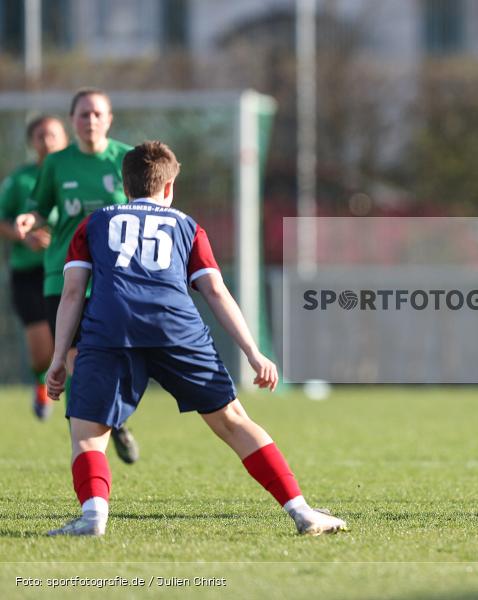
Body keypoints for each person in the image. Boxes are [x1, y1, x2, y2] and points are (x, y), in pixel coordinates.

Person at [45, 141, 347, 537]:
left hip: (111, 328)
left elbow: (72, 293)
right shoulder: (187, 226)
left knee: (88, 435)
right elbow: (215, 291)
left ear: (124, 185)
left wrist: (57, 359)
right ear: (169, 187)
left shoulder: (94, 223)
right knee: (233, 421)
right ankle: (302, 511)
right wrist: (253, 352)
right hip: (176, 327)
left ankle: (93, 517)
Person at [16, 88, 140, 463]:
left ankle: (115, 419)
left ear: (109, 119)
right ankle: (84, 434)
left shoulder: (127, 159)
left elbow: (146, 210)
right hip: (64, 275)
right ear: (72, 120)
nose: (91, 120)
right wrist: (29, 220)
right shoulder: (56, 163)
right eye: (84, 114)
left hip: (114, 277)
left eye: (98, 113)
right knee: (74, 359)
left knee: (116, 357)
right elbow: (40, 208)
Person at [0, 115, 68, 419]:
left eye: (53, 135)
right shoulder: (20, 180)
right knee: (42, 353)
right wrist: (22, 236)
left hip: (68, 271)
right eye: (41, 136)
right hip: (29, 273)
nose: (47, 141)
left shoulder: (74, 175)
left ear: (65, 138)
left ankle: (86, 408)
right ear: (32, 142)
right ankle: (41, 382)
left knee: (73, 345)